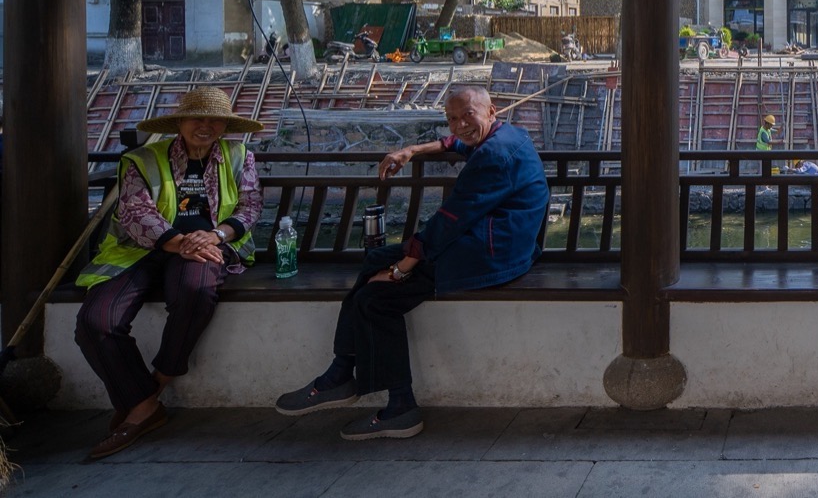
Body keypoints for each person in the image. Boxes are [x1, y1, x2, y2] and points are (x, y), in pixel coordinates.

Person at [274, 85, 547, 441]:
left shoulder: (496, 155)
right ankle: (342, 373)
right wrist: (413, 149)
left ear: (491, 110)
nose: (460, 124)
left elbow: (450, 219)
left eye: (468, 115)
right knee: (375, 260)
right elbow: (458, 143)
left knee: (376, 299)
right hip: (490, 241)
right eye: (452, 118)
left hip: (490, 255)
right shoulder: (507, 134)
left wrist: (402, 269)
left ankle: (396, 405)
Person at [74, 87, 264, 460]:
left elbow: (250, 205)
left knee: (196, 291)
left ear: (226, 125)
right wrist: (180, 242)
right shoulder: (142, 159)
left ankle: (153, 388)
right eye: (197, 118)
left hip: (208, 247)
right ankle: (144, 403)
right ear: (179, 122)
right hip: (139, 251)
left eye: (214, 120)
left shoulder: (239, 155)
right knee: (96, 321)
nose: (205, 126)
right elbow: (134, 212)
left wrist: (214, 235)